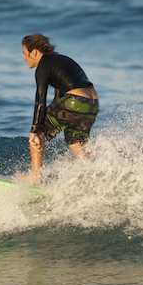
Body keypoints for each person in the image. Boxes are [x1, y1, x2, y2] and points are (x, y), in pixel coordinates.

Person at [21, 34, 99, 183]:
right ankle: (99, 169)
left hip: (75, 101)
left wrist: (35, 129)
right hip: (91, 103)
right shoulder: (61, 60)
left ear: (35, 52)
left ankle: (36, 177)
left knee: (36, 137)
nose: (24, 58)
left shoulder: (43, 66)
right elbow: (60, 95)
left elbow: (40, 100)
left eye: (25, 53)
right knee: (75, 144)